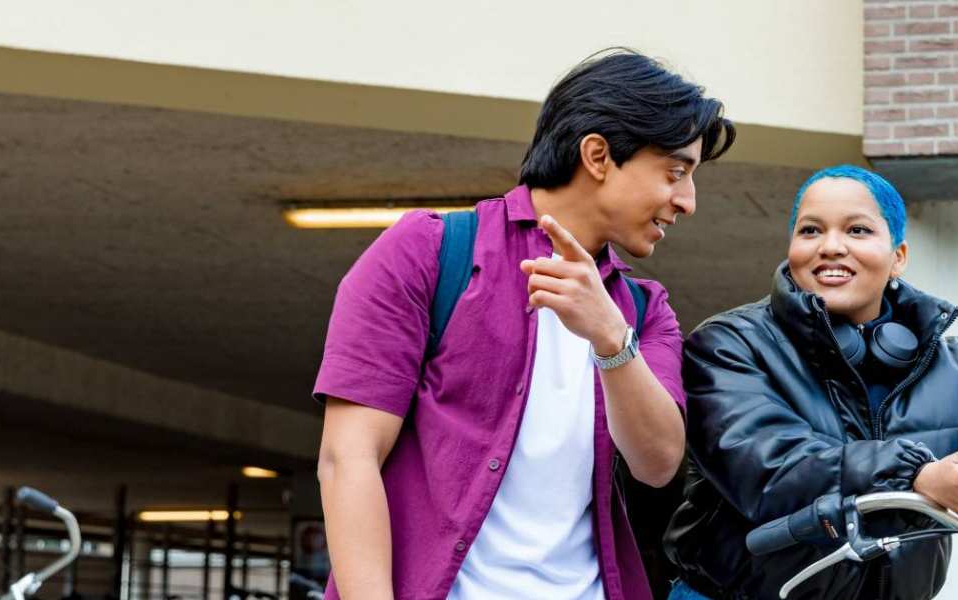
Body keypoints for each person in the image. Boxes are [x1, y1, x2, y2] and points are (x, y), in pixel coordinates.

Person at [312, 49, 734, 600]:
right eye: (676, 172)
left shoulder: (642, 309)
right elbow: (348, 458)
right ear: (599, 155)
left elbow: (658, 465)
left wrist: (611, 340)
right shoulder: (429, 253)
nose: (688, 201)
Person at [662, 165, 958, 599]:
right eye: (810, 230)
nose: (830, 246)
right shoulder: (728, 344)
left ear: (898, 256)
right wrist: (918, 477)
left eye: (857, 229)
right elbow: (768, 465)